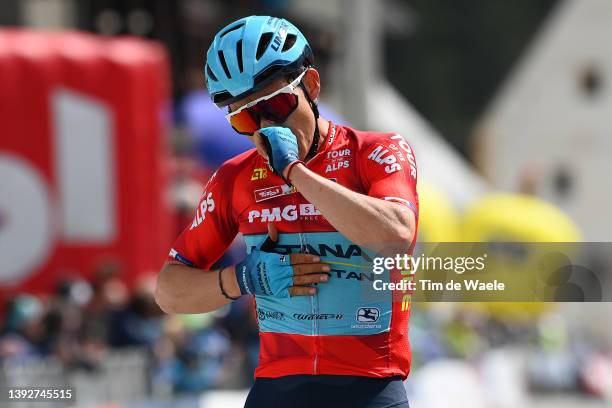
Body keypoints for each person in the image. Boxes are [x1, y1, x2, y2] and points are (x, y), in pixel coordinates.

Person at [156, 15, 418, 408]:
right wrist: (245, 277)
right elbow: (169, 292)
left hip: (369, 387)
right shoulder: (234, 178)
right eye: (246, 118)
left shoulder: (375, 152)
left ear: (311, 85)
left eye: (277, 105)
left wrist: (295, 172)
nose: (266, 128)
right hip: (278, 390)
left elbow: (396, 238)